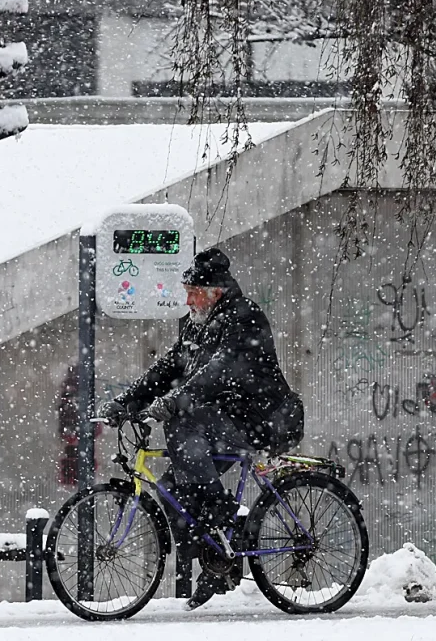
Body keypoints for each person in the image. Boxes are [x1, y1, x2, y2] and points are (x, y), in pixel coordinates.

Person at [99, 247, 304, 610]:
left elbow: (219, 371)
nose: (187, 298)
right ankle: (217, 559)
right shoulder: (197, 322)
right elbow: (168, 368)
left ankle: (224, 518)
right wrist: (127, 403)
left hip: (260, 419)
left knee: (183, 420)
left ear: (215, 291)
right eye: (187, 290)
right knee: (171, 489)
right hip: (222, 420)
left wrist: (172, 403)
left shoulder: (244, 317)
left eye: (193, 291)